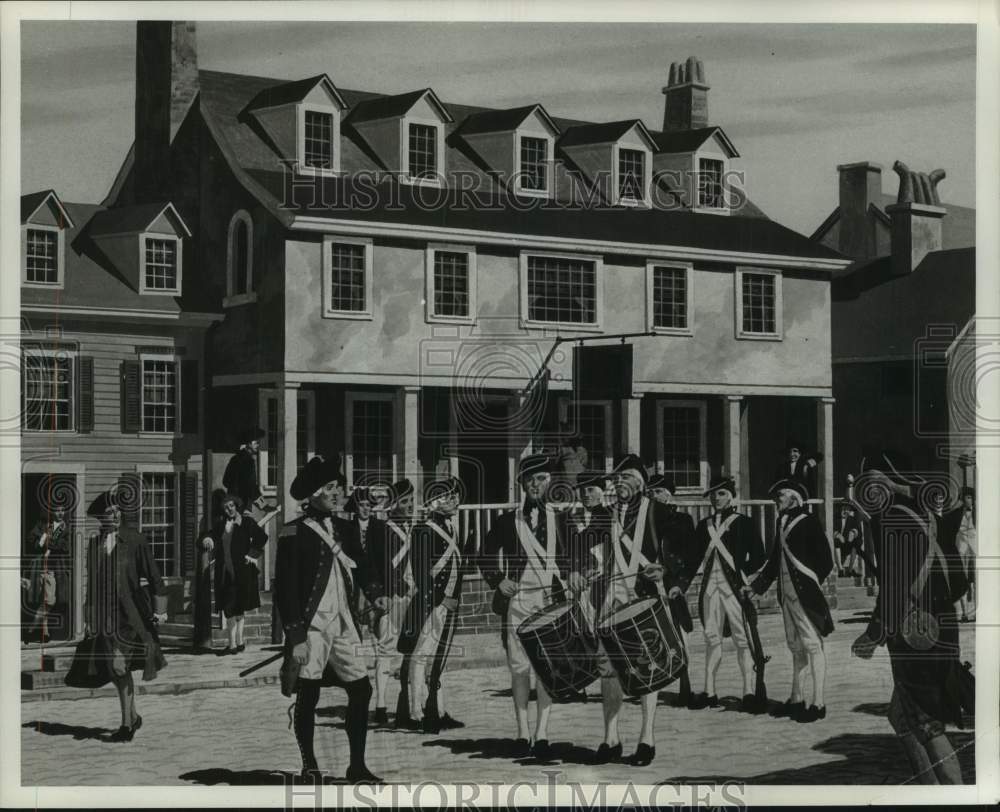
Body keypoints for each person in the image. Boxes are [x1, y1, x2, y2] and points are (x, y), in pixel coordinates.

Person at [851, 448, 970, 784]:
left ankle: (954, 796)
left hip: (916, 636)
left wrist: (873, 634)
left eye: (871, 482)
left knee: (926, 723)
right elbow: (958, 584)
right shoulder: (924, 512)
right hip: (937, 627)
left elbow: (894, 585)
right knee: (902, 718)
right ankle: (929, 791)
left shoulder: (894, 518)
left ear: (889, 481)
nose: (867, 491)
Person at [567, 455, 689, 767]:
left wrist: (668, 570)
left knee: (648, 666)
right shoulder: (604, 515)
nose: (620, 483)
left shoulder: (661, 512)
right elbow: (582, 547)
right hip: (610, 598)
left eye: (627, 477)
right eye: (617, 478)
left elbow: (686, 542)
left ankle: (647, 738)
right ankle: (611, 738)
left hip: (646, 597)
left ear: (641, 482)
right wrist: (578, 571)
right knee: (608, 668)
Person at [275, 455, 388, 783]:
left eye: (339, 486)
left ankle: (357, 766)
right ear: (312, 495)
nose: (338, 493)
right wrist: (295, 637)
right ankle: (309, 766)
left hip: (344, 624)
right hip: (311, 628)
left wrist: (375, 590)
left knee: (362, 690)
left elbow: (363, 564)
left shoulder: (344, 527)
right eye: (330, 487)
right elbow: (286, 588)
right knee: (308, 695)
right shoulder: (292, 532)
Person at [482, 454, 569, 759]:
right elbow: (486, 553)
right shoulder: (508, 521)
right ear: (521, 483)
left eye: (542, 478)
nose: (536, 484)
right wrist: (498, 579)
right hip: (518, 603)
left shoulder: (561, 518)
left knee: (546, 670)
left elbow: (573, 558)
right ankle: (521, 732)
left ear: (550, 482)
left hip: (549, 603)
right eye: (530, 479)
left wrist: (577, 576)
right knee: (519, 669)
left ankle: (542, 734)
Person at [78, 488, 167, 742]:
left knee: (119, 665)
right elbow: (92, 585)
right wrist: (89, 618)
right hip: (104, 618)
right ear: (100, 518)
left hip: (130, 617)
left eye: (117, 510)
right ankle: (134, 716)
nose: (115, 515)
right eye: (109, 512)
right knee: (116, 671)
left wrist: (161, 611)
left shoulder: (135, 540)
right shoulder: (94, 544)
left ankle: (126, 726)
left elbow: (154, 576)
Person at [745, 479, 834, 722]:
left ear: (794, 497)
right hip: (787, 595)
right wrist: (756, 587)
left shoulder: (808, 522)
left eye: (780, 496)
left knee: (813, 645)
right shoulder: (781, 521)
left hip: (805, 595)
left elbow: (826, 560)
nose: (777, 500)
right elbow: (775, 561)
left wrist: (811, 583)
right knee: (796, 647)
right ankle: (797, 699)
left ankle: (818, 703)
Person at [396, 477, 473, 733]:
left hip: (447, 604)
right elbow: (421, 574)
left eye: (455, 496)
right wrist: (441, 599)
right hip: (431, 604)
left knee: (437, 660)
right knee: (420, 657)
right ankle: (415, 711)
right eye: (449, 497)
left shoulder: (451, 528)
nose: (455, 501)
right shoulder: (423, 531)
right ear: (434, 503)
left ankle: (438, 710)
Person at [689, 475, 766, 712]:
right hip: (710, 590)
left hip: (734, 588)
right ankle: (709, 692)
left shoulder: (744, 522)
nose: (716, 498)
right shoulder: (704, 526)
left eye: (721, 493)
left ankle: (749, 692)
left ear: (731, 496)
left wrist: (745, 576)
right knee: (711, 639)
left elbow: (759, 556)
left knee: (742, 640)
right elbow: (694, 558)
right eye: (713, 494)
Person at [646, 473, 697, 707]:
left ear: (668, 494)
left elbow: (689, 555)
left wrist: (679, 582)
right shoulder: (643, 521)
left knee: (677, 634)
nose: (653, 496)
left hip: (670, 583)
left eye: (658, 491)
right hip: (647, 582)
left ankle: (685, 685)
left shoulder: (682, 520)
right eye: (651, 492)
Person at [367, 478, 414, 724]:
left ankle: (407, 703)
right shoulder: (384, 531)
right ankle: (381, 705)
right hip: (392, 596)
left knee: (412, 651)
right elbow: (382, 564)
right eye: (404, 502)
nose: (409, 506)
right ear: (393, 505)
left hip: (411, 597)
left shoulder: (413, 528)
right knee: (385, 650)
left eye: (411, 501)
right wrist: (400, 587)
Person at [203, 492, 268, 655]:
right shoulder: (220, 525)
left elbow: (262, 537)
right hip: (225, 573)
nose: (229, 509)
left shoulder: (247, 522)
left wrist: (252, 555)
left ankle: (238, 643)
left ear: (236, 506)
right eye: (226, 507)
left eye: (231, 506)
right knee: (229, 608)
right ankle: (233, 644)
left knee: (239, 608)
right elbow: (208, 535)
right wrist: (208, 539)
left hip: (243, 572)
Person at [22, 502, 71, 643]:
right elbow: (31, 539)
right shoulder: (43, 524)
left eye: (63, 510)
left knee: (49, 601)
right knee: (41, 600)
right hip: (38, 568)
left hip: (52, 569)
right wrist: (43, 538)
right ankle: (45, 633)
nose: (61, 513)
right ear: (52, 512)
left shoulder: (66, 528)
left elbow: (65, 547)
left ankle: (30, 631)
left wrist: (49, 546)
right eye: (58, 510)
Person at [948, 487, 976, 622]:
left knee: (977, 580)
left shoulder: (982, 513)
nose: (967, 500)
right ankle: (965, 613)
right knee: (962, 580)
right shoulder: (955, 514)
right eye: (965, 497)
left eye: (969, 497)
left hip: (976, 551)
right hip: (961, 550)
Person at [222, 428, 266, 513]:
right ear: (248, 443)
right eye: (256, 443)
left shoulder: (234, 459)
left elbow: (225, 481)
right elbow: (252, 488)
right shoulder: (249, 461)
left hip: (231, 506)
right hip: (243, 506)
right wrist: (264, 506)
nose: (258, 445)